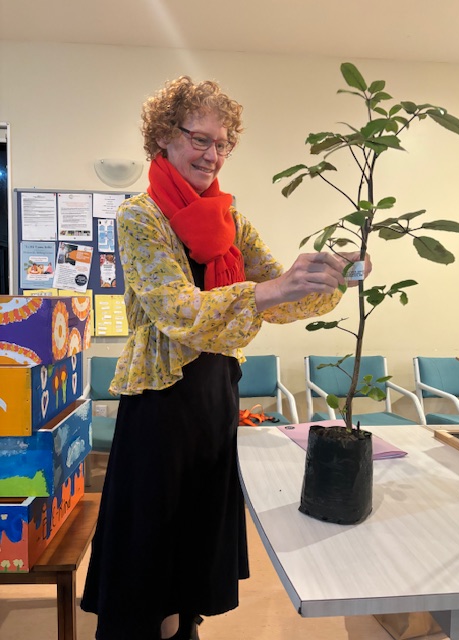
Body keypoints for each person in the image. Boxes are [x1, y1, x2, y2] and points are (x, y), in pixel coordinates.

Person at [80, 76, 371, 640]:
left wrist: (331, 277)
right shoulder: (140, 217)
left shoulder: (230, 220)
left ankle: (181, 628)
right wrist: (273, 290)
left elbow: (280, 296)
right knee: (152, 543)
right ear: (164, 137)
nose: (212, 154)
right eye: (200, 139)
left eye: (223, 143)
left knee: (192, 536)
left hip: (215, 394)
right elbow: (177, 310)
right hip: (161, 401)